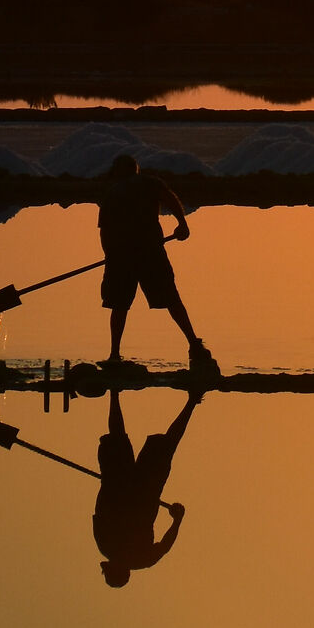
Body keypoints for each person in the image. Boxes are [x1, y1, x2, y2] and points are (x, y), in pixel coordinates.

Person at [99, 153, 213, 369]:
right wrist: (182, 223)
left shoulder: (113, 193)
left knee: (120, 305)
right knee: (171, 299)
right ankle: (194, 345)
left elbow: (105, 232)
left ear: (118, 172)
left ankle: (114, 354)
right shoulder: (148, 183)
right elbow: (170, 199)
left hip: (126, 256)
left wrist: (109, 257)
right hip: (148, 252)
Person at [94, 389, 199, 587]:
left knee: (124, 437)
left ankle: (192, 400)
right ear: (117, 570)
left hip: (130, 486)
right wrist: (177, 521)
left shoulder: (118, 550)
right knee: (164, 443)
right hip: (136, 487)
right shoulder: (115, 549)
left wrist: (177, 521)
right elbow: (165, 546)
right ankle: (192, 400)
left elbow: (101, 508)